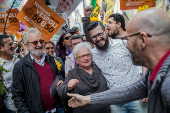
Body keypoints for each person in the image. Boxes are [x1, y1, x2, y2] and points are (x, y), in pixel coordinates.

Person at [67, 8, 170, 113]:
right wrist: (88, 99)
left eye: (128, 38)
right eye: (94, 37)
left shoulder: (167, 85)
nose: (127, 45)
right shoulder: (153, 73)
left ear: (143, 39)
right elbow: (132, 90)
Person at [12, 28, 64, 113]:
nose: (39, 45)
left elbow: (60, 77)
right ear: (26, 45)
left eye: (41, 41)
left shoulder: (53, 60)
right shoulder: (20, 66)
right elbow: (17, 96)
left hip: (58, 109)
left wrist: (61, 81)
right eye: (35, 42)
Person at [56, 42, 111, 113]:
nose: (86, 58)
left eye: (88, 55)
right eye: (82, 56)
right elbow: (61, 92)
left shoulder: (99, 67)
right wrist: (68, 87)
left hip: (105, 110)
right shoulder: (73, 73)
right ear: (76, 60)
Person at [106, 13, 144, 113]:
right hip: (116, 98)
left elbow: (144, 62)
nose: (107, 26)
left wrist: (145, 88)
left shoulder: (132, 39)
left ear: (118, 24)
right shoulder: (108, 43)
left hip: (135, 96)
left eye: (110, 23)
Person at [0, 34, 18, 113]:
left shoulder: (19, 59)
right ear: (1, 48)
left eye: (13, 43)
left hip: (27, 105)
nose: (13, 46)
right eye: (10, 44)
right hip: (10, 107)